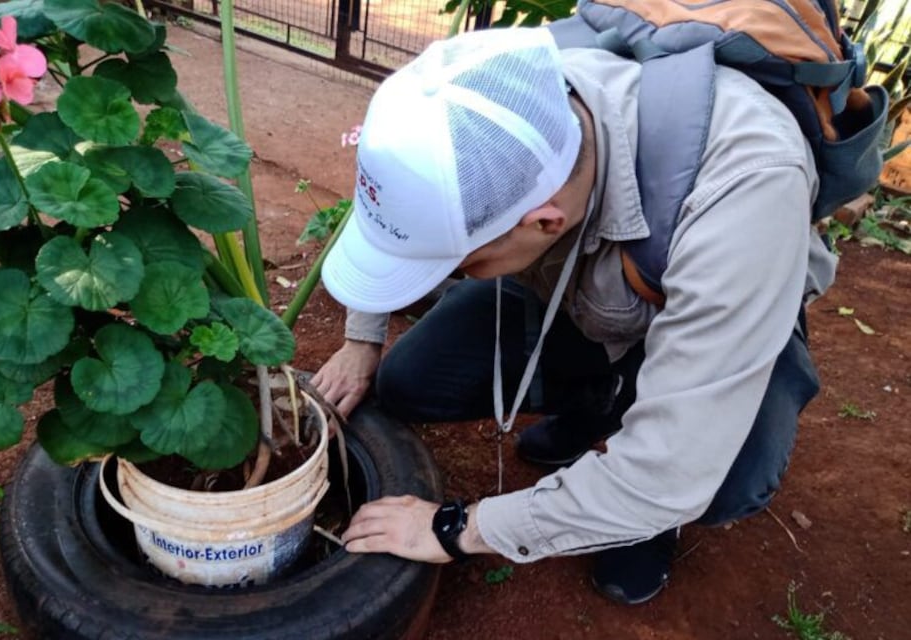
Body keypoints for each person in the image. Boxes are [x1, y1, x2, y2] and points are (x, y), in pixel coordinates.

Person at [314, 25, 831, 604]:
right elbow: (394, 213)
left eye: (460, 265)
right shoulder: (490, 88)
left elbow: (671, 472)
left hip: (715, 312)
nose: (448, 275)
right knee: (410, 382)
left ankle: (643, 500)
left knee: (726, 476)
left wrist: (455, 529)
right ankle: (597, 402)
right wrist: (362, 338)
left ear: (544, 222)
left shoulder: (746, 189)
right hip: (585, 291)